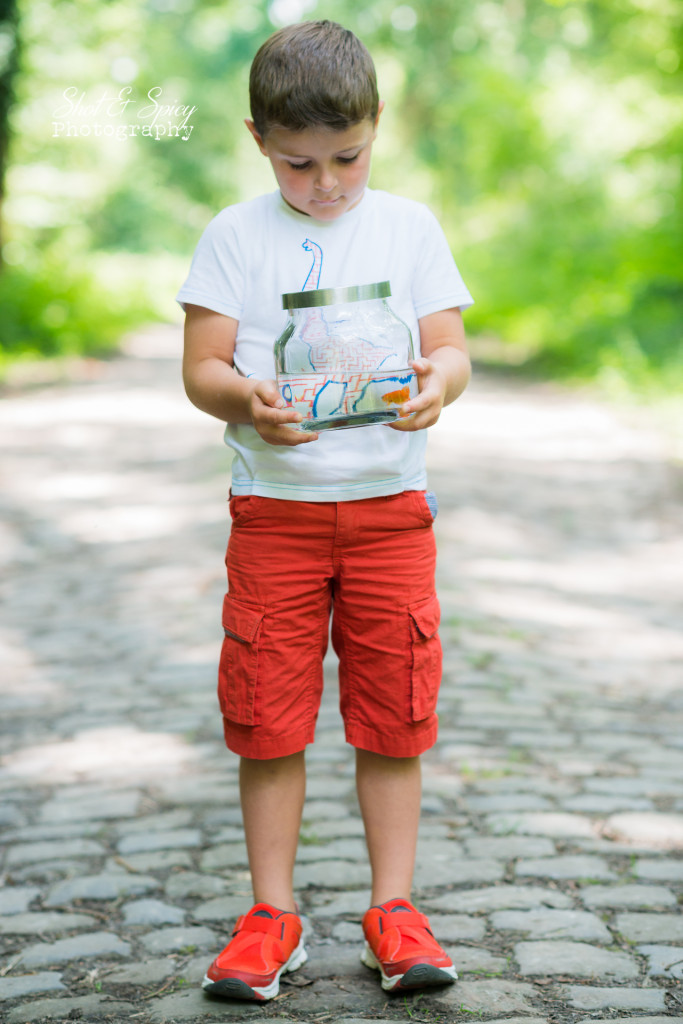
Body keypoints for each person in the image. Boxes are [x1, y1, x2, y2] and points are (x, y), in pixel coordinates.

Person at [176, 19, 473, 1003]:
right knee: (268, 716)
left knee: (393, 716)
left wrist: (438, 382)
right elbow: (202, 370)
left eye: (346, 157)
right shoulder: (233, 236)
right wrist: (245, 401)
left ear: (375, 126)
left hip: (391, 512)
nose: (326, 184)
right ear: (258, 137)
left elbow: (450, 349)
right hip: (277, 514)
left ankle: (395, 909)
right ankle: (271, 913)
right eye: (299, 163)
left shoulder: (408, 228)